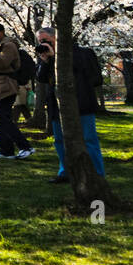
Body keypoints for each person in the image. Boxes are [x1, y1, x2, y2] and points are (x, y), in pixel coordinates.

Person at [35, 27, 105, 185]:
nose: (44, 44)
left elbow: (93, 77)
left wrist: (57, 58)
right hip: (56, 105)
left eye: (46, 40)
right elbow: (40, 78)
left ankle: (97, 173)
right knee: (59, 140)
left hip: (82, 103)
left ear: (57, 38)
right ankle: (65, 172)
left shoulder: (82, 53)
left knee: (89, 139)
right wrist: (47, 61)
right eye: (40, 42)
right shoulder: (45, 56)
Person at [0, 23, 35, 160]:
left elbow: (3, 63)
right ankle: (6, 150)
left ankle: (25, 147)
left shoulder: (8, 45)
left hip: (6, 86)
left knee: (4, 119)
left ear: (2, 32)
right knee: (0, 119)